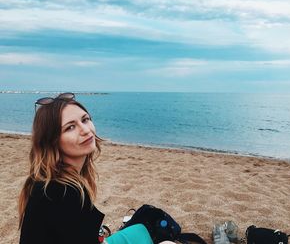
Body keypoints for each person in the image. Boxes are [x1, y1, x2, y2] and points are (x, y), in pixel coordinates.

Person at [18, 92, 175, 244]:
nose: (86, 130)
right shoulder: (61, 193)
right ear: (52, 141)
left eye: (85, 120)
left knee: (141, 228)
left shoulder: (47, 179)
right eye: (70, 127)